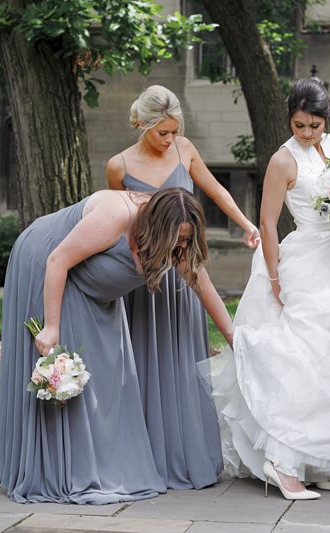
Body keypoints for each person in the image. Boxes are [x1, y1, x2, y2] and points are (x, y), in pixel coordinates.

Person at [201, 78, 330, 500]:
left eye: (314, 125)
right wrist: (276, 278)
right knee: (305, 358)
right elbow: (267, 222)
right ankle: (284, 464)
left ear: (327, 120)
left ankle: (318, 459)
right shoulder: (283, 161)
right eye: (300, 125)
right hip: (305, 261)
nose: (306, 133)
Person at [0, 187, 234, 505]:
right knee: (68, 378)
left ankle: (104, 467)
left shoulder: (178, 242)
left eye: (187, 238)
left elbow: (202, 285)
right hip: (45, 266)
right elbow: (57, 261)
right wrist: (51, 328)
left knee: (108, 379)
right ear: (157, 227)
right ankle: (63, 473)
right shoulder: (114, 217)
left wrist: (234, 338)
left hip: (94, 289)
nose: (182, 245)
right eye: (178, 238)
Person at [106, 85, 259, 490]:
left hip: (184, 276)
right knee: (143, 367)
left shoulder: (184, 150)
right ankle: (146, 459)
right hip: (144, 280)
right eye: (163, 133)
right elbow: (119, 222)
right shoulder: (118, 166)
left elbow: (216, 190)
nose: (170, 139)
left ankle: (188, 454)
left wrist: (246, 223)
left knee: (182, 364)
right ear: (142, 123)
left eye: (174, 131)